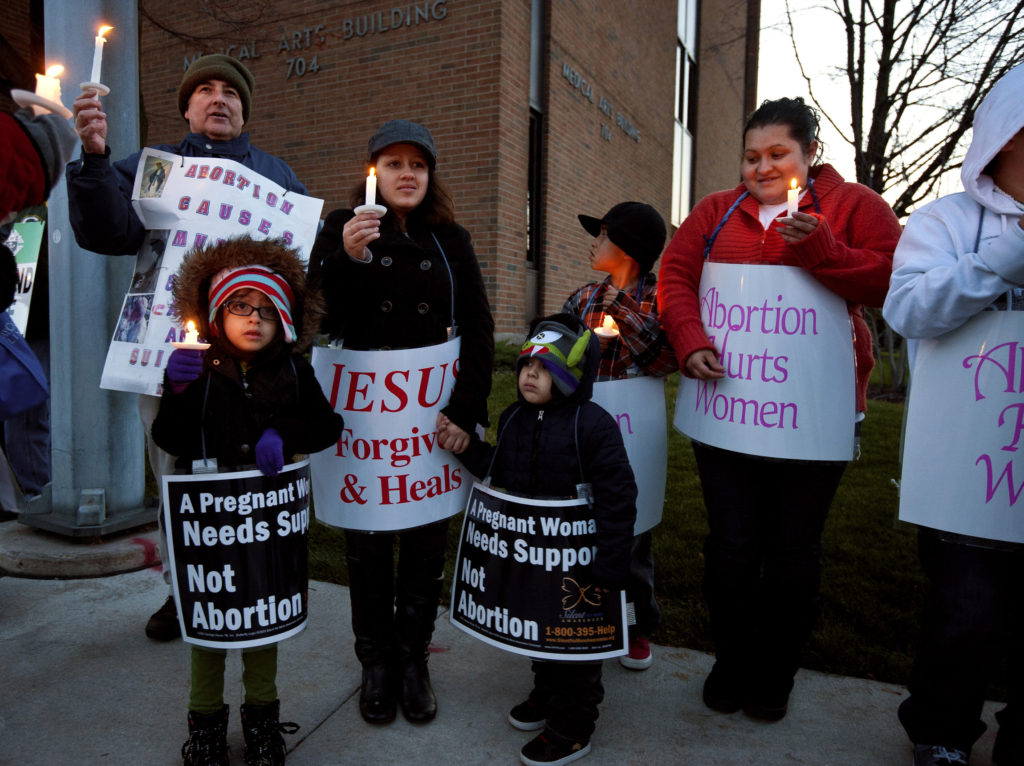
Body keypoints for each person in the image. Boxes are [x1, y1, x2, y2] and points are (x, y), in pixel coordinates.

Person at [658, 97, 900, 721]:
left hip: (815, 415)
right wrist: (690, 340)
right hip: (727, 412)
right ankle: (732, 658)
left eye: (777, 154)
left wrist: (823, 252)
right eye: (751, 156)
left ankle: (776, 670)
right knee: (732, 544)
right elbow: (677, 277)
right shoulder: (715, 212)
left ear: (809, 154)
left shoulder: (854, 208)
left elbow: (893, 281)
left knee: (794, 547)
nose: (761, 168)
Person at [66, 54, 308, 641]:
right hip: (169, 356)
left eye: (230, 91)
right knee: (175, 472)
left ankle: (251, 583)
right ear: (188, 107)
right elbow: (106, 232)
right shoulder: (154, 167)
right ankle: (184, 590)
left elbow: (300, 270)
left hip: (250, 357)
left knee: (253, 471)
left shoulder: (277, 176)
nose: (218, 99)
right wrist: (95, 159)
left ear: (244, 109)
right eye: (205, 90)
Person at [308, 119, 494, 725]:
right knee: (365, 547)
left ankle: (413, 660)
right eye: (393, 163)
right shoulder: (342, 229)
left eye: (417, 164)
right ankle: (375, 663)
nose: (406, 174)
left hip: (432, 422)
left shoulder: (451, 239)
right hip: (364, 425)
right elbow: (312, 312)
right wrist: (349, 258)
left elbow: (481, 330)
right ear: (374, 173)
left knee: (422, 545)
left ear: (430, 175)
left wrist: (465, 412)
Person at [151, 236, 343, 766]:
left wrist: (281, 430)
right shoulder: (198, 367)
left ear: (284, 318)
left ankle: (261, 720)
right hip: (208, 525)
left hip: (265, 525)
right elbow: (171, 439)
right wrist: (178, 390)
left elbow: (327, 424)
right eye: (240, 306)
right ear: (216, 314)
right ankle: (205, 725)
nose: (254, 319)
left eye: (266, 309)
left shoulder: (293, 369)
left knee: (261, 621)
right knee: (209, 627)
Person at [882, 64, 1024, 766]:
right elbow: (908, 307)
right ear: (1004, 140)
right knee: (963, 617)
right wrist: (1005, 260)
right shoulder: (950, 222)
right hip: (968, 482)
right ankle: (940, 732)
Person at [442, 314, 636, 766]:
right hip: (532, 560)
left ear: (569, 377)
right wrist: (464, 445)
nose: (530, 374)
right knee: (540, 634)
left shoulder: (593, 425)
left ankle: (572, 728)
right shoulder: (514, 418)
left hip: (582, 566)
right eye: (527, 364)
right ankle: (545, 695)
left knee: (576, 653)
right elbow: (498, 468)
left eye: (544, 367)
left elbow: (619, 496)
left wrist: (611, 564)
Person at [561, 201, 674, 670]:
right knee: (578, 522)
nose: (594, 242)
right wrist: (583, 346)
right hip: (583, 429)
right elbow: (553, 351)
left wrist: (621, 314)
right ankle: (581, 610)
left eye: (602, 234)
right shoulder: (582, 298)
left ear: (626, 248)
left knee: (632, 533)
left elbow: (663, 357)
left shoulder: (660, 299)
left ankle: (634, 623)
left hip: (634, 436)